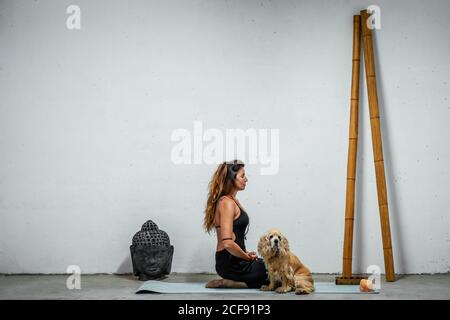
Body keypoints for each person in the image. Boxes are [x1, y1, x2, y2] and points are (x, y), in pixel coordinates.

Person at [203, 160, 269, 289]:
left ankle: (239, 282)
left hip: (239, 260)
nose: (246, 179)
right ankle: (228, 282)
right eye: (242, 176)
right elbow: (227, 243)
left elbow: (235, 239)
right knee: (272, 273)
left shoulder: (233, 201)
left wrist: (246, 255)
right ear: (232, 179)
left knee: (274, 266)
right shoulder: (226, 203)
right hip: (230, 264)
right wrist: (247, 258)